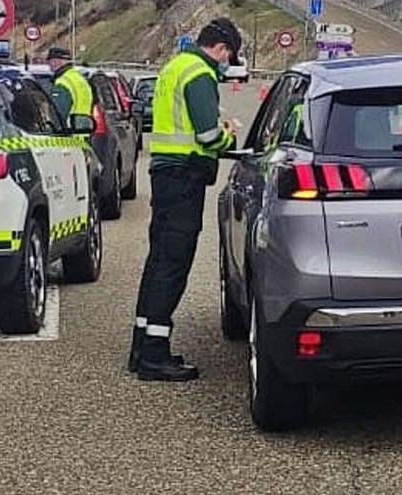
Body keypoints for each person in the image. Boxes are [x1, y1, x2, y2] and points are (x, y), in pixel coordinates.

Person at [128, 18, 241, 382]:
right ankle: (155, 356)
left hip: (164, 175)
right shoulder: (200, 73)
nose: (227, 63)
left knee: (159, 259)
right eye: (229, 56)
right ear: (222, 49)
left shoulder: (175, 65)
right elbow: (208, 135)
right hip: (184, 177)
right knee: (174, 264)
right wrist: (231, 140)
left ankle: (141, 345)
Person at [46, 47, 93, 125]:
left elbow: (58, 113)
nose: (49, 65)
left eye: (50, 61)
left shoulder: (63, 82)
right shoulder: (79, 78)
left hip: (68, 131)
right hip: (83, 130)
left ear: (56, 61)